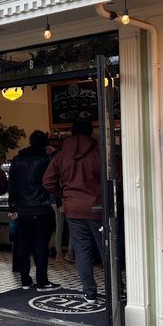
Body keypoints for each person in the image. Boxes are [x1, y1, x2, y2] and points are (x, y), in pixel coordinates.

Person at [43, 119, 103, 303]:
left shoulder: (61, 155)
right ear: (91, 132)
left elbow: (47, 182)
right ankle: (115, 289)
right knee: (106, 249)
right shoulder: (99, 152)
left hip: (73, 210)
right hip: (97, 208)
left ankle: (89, 292)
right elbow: (115, 175)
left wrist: (64, 194)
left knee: (82, 251)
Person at [8, 130, 60, 292]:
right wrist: (56, 201)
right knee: (41, 245)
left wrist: (13, 207)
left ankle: (25, 279)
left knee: (23, 244)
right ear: (45, 143)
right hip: (42, 208)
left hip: (23, 209)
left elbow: (12, 185)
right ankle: (42, 281)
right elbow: (53, 181)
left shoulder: (17, 160)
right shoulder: (47, 160)